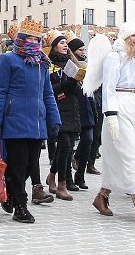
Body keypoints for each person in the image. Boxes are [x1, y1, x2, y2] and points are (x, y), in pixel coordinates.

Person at [83, 23, 135, 225]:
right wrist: (111, 114)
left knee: (130, 154)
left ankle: (103, 195)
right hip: (120, 106)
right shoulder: (113, 58)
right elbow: (108, 88)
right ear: (124, 37)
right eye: (133, 35)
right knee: (131, 155)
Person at [0, 18, 61, 224]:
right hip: (15, 119)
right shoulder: (8, 59)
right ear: (21, 38)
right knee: (19, 165)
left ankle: (12, 193)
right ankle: (20, 206)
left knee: (31, 165)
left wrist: (53, 117)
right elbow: (0, 90)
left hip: (37, 121)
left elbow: (47, 93)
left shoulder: (41, 62)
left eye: (37, 38)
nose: (34, 41)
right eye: (30, 37)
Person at [45, 34, 82, 201]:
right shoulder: (49, 65)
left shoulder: (71, 63)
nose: (65, 45)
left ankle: (51, 175)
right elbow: (49, 89)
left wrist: (76, 82)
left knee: (64, 148)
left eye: (66, 43)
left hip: (72, 107)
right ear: (54, 47)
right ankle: (62, 184)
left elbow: (76, 91)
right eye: (61, 43)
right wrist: (65, 85)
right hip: (57, 108)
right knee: (65, 145)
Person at [70, 38, 96, 191]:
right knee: (68, 143)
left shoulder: (88, 65)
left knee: (89, 140)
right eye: (80, 50)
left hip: (87, 105)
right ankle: (63, 176)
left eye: (84, 50)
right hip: (74, 105)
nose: (83, 52)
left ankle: (80, 174)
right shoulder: (70, 65)